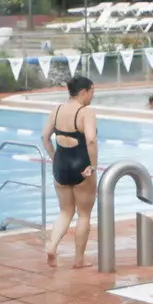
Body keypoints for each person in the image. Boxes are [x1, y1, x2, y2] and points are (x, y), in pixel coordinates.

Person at [42, 75, 101, 266]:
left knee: (65, 211)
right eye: (92, 92)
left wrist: (54, 158)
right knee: (84, 214)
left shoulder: (56, 110)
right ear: (84, 91)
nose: (92, 97)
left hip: (61, 165)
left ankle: (52, 246)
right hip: (81, 166)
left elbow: (45, 138)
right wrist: (92, 166)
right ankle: (78, 260)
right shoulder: (86, 112)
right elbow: (91, 140)